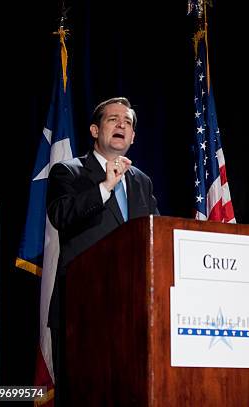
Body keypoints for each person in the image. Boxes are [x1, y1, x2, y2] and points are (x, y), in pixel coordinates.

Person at [46, 97, 159, 404]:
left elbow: (156, 236)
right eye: (113, 120)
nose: (122, 124)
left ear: (133, 137)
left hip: (132, 311)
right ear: (95, 130)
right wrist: (104, 188)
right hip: (81, 310)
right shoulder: (67, 172)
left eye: (128, 122)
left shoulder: (142, 182)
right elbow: (61, 216)